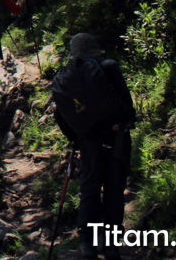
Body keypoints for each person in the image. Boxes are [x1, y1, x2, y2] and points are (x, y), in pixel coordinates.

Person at [52, 33, 136, 259]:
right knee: (114, 190)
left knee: (89, 189)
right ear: (94, 50)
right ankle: (110, 245)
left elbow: (59, 114)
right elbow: (127, 107)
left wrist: (77, 136)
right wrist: (124, 122)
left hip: (88, 142)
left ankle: (87, 244)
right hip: (115, 139)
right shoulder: (108, 67)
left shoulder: (67, 76)